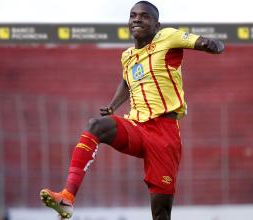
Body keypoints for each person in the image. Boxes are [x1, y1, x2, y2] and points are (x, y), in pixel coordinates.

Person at [40, 1, 224, 219]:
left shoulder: (167, 37)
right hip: (136, 126)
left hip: (164, 135)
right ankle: (67, 197)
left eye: (145, 16)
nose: (137, 19)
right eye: (133, 15)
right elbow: (127, 81)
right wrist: (113, 106)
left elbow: (204, 43)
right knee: (95, 126)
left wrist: (211, 44)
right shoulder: (127, 56)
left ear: (157, 24)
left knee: (161, 212)